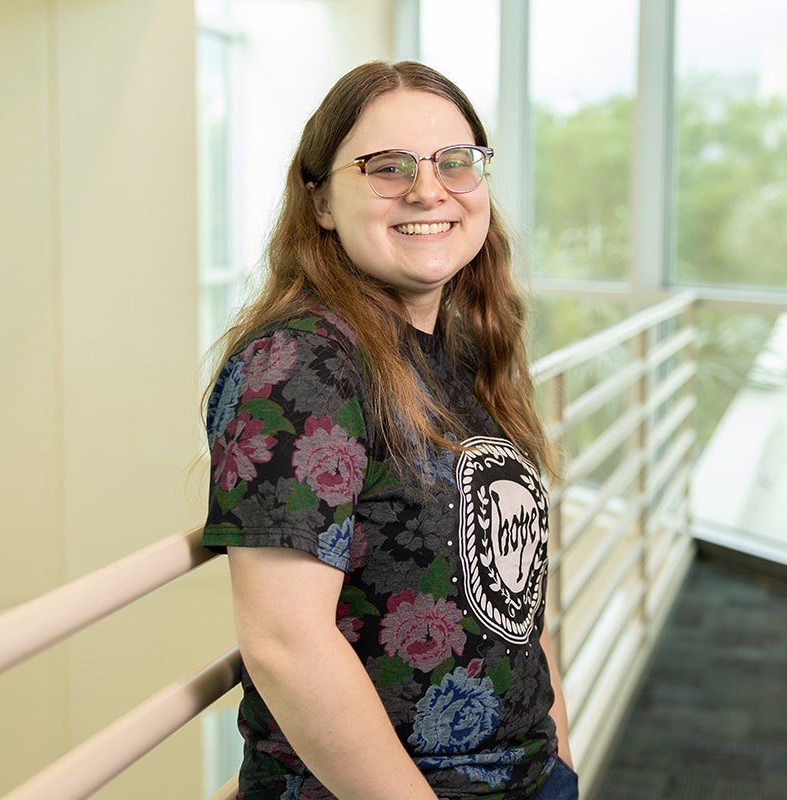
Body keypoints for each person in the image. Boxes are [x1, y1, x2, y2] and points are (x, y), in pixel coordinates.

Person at [202, 60, 577, 800]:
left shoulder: (460, 353)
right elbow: (284, 643)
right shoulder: (302, 362)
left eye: (456, 162)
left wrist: (560, 751)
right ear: (321, 202)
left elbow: (510, 599)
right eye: (387, 167)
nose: (428, 189)